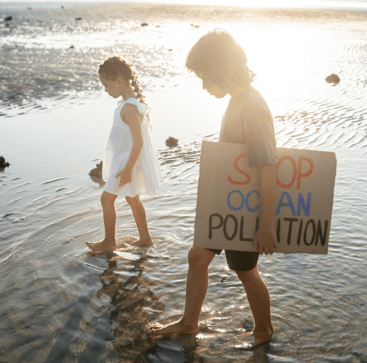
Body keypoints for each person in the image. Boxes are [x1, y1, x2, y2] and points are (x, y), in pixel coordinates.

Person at [150, 29, 278, 346]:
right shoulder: (237, 100)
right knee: (198, 257)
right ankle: (189, 322)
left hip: (245, 209)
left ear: (228, 69)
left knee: (245, 271)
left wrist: (266, 225)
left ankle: (264, 329)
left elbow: (267, 168)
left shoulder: (251, 105)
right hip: (227, 205)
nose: (204, 85)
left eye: (206, 76)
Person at [86, 56, 162, 252]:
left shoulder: (130, 107)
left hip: (126, 163)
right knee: (132, 199)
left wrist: (127, 169)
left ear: (119, 81)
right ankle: (145, 238)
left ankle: (109, 242)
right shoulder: (129, 104)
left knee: (106, 199)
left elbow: (139, 142)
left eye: (106, 85)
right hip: (126, 161)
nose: (105, 90)